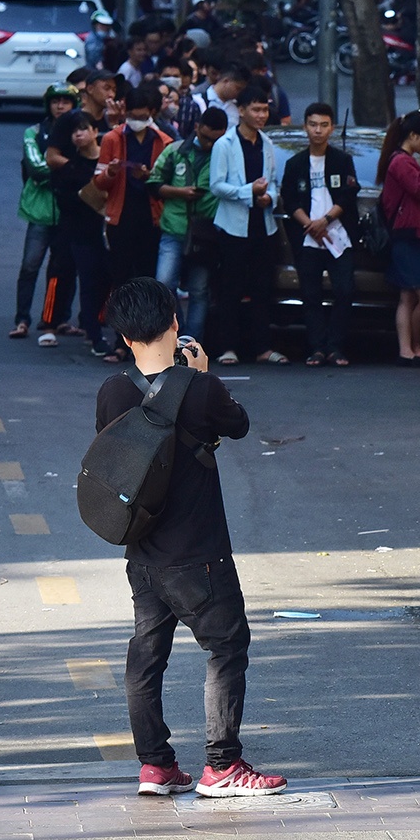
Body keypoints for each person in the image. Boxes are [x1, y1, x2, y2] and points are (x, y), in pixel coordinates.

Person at [96, 278, 287, 799]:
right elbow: (238, 425)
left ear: (124, 337)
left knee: (147, 652)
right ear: (175, 323)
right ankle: (222, 765)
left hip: (142, 554)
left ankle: (155, 766)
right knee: (226, 645)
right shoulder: (200, 387)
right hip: (198, 552)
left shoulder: (113, 390)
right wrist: (198, 377)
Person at [208, 84, 286, 366]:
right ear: (240, 111)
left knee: (262, 288)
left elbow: (273, 181)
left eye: (265, 109)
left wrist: (269, 197)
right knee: (231, 288)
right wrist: (248, 191)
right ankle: (228, 346)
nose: (261, 114)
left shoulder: (267, 142)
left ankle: (263, 347)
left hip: (263, 226)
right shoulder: (225, 144)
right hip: (233, 227)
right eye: (255, 109)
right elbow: (216, 186)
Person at [281, 102, 358, 367]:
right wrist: (311, 225)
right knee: (310, 294)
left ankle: (336, 347)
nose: (318, 130)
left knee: (345, 291)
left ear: (332, 128)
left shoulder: (342, 160)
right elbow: (289, 201)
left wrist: (326, 220)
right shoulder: (295, 163)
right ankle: (317, 348)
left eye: (324, 125)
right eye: (313, 124)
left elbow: (349, 194)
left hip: (338, 236)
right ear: (305, 127)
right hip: (308, 237)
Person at [151, 108, 229, 347]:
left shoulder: (225, 154)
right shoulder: (175, 151)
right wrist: (180, 193)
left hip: (206, 233)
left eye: (216, 139)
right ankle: (179, 334)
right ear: (197, 128)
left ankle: (193, 344)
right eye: (206, 137)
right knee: (164, 284)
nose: (210, 143)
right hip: (174, 228)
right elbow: (154, 184)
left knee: (199, 290)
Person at [12, 83, 79, 344]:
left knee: (65, 267)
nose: (60, 105)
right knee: (30, 265)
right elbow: (38, 167)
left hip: (68, 210)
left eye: (66, 101)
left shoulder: (80, 132)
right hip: (40, 210)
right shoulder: (34, 132)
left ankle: (59, 318)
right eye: (55, 101)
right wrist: (69, 170)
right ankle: (22, 319)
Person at [377, 112, 420, 366]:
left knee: (408, 296)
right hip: (406, 236)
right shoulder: (401, 162)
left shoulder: (403, 160)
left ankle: (410, 350)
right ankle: (413, 347)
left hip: (412, 234)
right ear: (413, 136)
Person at [50, 110, 114, 357]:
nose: (79, 134)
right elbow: (65, 201)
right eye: (74, 131)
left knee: (107, 281)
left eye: (84, 129)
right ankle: (94, 335)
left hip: (109, 232)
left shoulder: (109, 163)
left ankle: (97, 323)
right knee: (87, 282)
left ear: (96, 131)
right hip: (80, 232)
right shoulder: (69, 166)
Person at [96, 85, 174, 289]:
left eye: (141, 116)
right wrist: (111, 172)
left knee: (147, 274)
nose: (136, 120)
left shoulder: (164, 142)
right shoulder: (111, 139)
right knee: (120, 274)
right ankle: (121, 320)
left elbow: (168, 182)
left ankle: (143, 320)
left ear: (152, 114)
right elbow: (98, 182)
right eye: (131, 115)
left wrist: (149, 176)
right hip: (121, 214)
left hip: (151, 215)